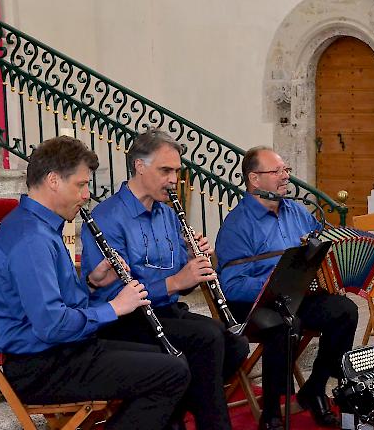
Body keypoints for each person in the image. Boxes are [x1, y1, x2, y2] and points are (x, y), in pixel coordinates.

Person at [0, 136, 190, 430]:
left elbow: (57, 302)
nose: (86, 195)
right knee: (171, 373)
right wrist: (114, 308)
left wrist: (93, 284)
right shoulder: (31, 239)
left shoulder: (41, 227)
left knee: (171, 359)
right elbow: (52, 324)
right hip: (42, 365)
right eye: (81, 185)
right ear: (54, 180)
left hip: (60, 351)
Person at [215, 146, 374, 430]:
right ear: (254, 179)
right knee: (286, 323)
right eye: (276, 171)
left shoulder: (297, 212)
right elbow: (231, 286)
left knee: (345, 311)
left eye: (286, 170)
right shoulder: (236, 225)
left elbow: (328, 250)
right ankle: (272, 414)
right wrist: (273, 286)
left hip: (299, 296)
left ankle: (314, 388)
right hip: (256, 304)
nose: (285, 176)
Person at [81, 129, 249, 430]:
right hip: (125, 322)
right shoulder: (108, 217)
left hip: (165, 313)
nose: (174, 180)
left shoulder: (167, 214)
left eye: (177, 172)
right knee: (207, 340)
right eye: (166, 171)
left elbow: (179, 276)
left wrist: (193, 259)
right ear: (139, 166)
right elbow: (114, 293)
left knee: (235, 344)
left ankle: (170, 412)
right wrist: (175, 282)